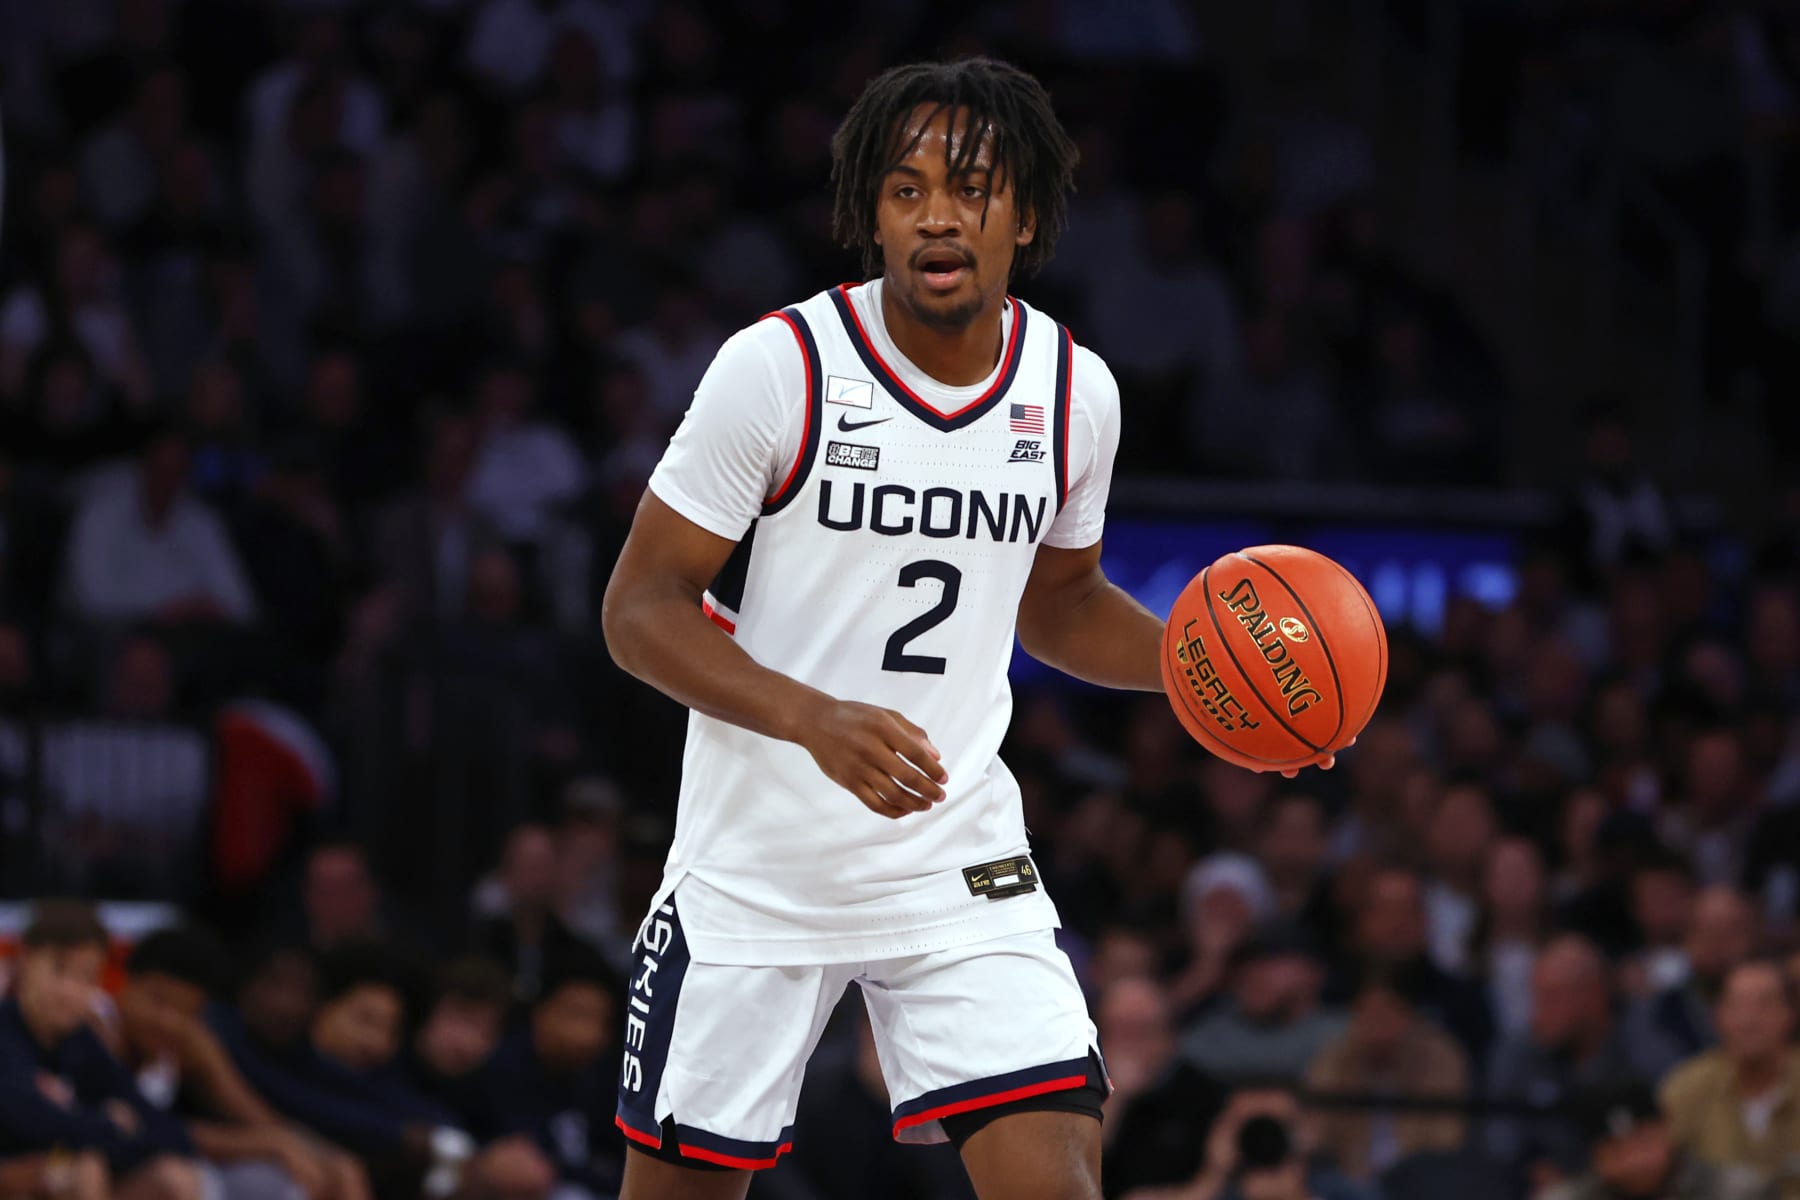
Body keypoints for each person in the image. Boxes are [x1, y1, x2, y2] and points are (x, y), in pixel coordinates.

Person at [600, 56, 1339, 1200]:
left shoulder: (1075, 390)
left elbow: (1059, 607)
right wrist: (814, 718)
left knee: (1056, 1179)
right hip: (759, 863)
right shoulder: (780, 369)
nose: (938, 214)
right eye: (905, 190)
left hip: (956, 857)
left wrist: (1211, 680)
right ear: (871, 216)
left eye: (974, 187)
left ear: (1027, 214)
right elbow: (638, 609)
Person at [111, 928, 368, 1200]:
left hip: (166, 1164)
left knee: (309, 1172)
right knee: (175, 1180)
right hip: (108, 1171)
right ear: (124, 982)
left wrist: (326, 1158)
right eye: (158, 1000)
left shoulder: (186, 1042)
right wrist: (258, 1144)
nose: (167, 1021)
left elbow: (255, 1116)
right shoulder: (98, 1034)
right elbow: (144, 1130)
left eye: (184, 1012)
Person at [0, 901, 205, 1200]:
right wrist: (108, 1122)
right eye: (59, 970)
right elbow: (31, 1122)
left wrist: (97, 1128)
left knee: (174, 1176)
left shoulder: (82, 1042)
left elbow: (172, 1133)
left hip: (63, 1165)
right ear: (25, 959)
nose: (70, 991)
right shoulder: (5, 1032)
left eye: (85, 978)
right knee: (83, 1167)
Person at [1659, 960, 1800, 1197]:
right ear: (1717, 1016)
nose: (1748, 1020)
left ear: (1791, 1014)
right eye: (1736, 1005)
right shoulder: (1685, 1090)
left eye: (1764, 1005)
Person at [1539, 1083, 1774, 1200]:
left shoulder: (1737, 1192)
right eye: (1618, 1150)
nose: (1635, 1161)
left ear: (1668, 1130)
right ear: (1596, 1157)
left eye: (1643, 1141)